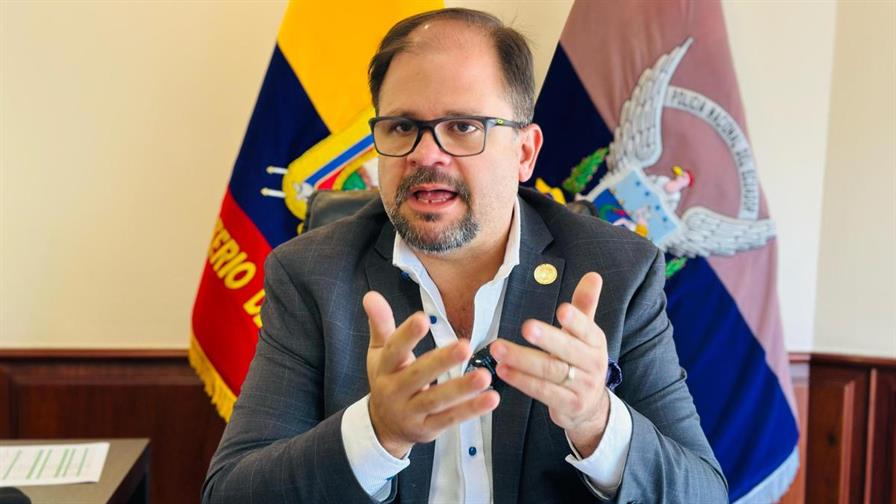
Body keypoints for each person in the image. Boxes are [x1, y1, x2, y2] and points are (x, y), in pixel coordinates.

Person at [202, 8, 727, 504]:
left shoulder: (616, 271)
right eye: (402, 127)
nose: (425, 154)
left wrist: (596, 421)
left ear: (524, 152)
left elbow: (703, 492)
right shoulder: (311, 274)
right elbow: (233, 493)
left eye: (462, 126)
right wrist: (375, 434)